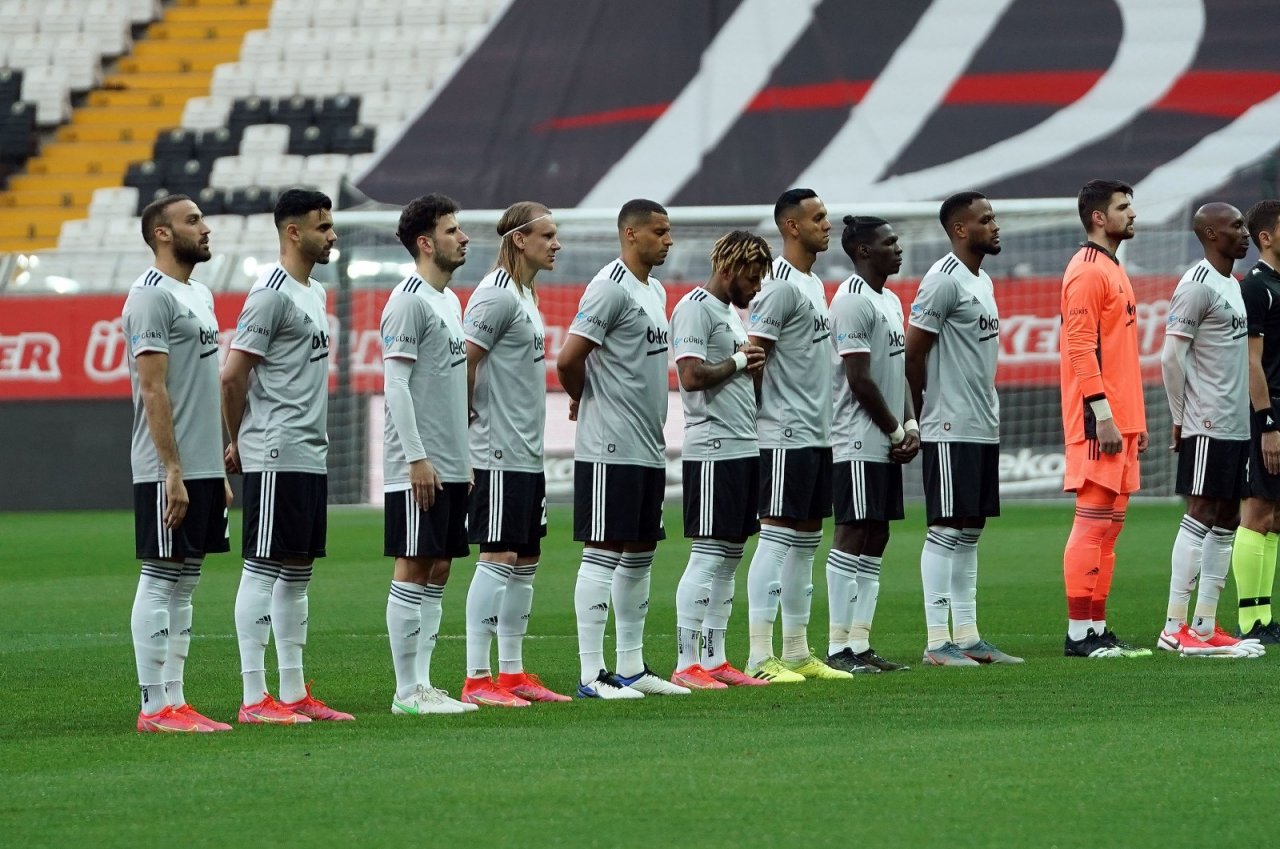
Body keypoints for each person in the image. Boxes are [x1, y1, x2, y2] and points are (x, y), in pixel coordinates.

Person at [221, 188, 354, 723]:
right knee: (262, 568)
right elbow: (232, 373)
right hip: (274, 447)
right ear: (293, 232)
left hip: (307, 449)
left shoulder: (314, 292)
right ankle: (255, 698)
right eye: (323, 226)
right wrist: (236, 439)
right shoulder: (270, 293)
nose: (333, 235)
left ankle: (295, 692)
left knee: (297, 571)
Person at [557, 198, 690, 699]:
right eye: (659, 231)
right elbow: (569, 359)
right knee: (602, 554)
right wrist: (582, 398)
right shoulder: (609, 286)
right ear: (631, 234)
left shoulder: (653, 290)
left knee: (640, 554)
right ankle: (592, 673)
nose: (669, 239)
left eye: (669, 230)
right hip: (609, 444)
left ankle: (631, 667)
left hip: (647, 445)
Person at [125, 194, 232, 732]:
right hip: (167, 466)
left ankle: (176, 699)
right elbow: (152, 386)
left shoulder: (199, 293)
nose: (205, 228)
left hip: (204, 465)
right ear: (163, 234)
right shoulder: (149, 296)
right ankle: (153, 706)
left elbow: (204, 382)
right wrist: (172, 468)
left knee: (187, 580)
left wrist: (214, 461)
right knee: (160, 575)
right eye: (193, 221)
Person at [904, 191, 1022, 666]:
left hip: (980, 423)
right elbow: (913, 352)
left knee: (970, 530)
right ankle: (937, 642)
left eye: (994, 217)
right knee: (946, 529)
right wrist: (914, 418)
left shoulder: (983, 281)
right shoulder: (942, 281)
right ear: (959, 230)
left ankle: (969, 636)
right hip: (948, 424)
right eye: (985, 219)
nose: (995, 226)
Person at [459, 201, 570, 706]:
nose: (556, 243)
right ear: (520, 239)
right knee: (498, 555)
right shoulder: (495, 295)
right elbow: (463, 366)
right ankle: (477, 677)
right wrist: (462, 437)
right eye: (547, 235)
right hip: (496, 451)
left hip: (526, 452)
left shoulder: (526, 294)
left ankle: (511, 673)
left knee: (526, 558)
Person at [377, 193, 479, 715]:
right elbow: (395, 384)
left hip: (451, 462)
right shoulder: (408, 300)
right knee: (414, 565)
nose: (463, 238)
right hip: (419, 465)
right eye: (452, 230)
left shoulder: (449, 301)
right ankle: (406, 692)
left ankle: (425, 684)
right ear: (425, 242)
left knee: (439, 566)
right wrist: (416, 458)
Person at [743, 188, 850, 683]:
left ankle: (797, 650)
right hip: (784, 434)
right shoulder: (779, 285)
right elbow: (754, 355)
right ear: (791, 226)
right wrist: (766, 417)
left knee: (806, 541)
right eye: (818, 218)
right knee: (777, 538)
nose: (827, 225)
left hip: (816, 433)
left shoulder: (811, 285)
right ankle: (759, 656)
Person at [669, 230, 773, 689]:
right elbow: (690, 377)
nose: (755, 288)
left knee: (731, 555)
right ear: (728, 270)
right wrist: (737, 361)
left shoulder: (728, 313)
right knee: (708, 554)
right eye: (751, 278)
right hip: (711, 450)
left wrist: (748, 367)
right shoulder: (694, 306)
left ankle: (716, 659)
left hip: (742, 446)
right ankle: (686, 662)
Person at [1159, 203, 1263, 658]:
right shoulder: (1196, 284)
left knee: (1227, 520)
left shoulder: (1233, 286)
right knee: (1200, 513)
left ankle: (1203, 625)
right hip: (1206, 421)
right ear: (1209, 233)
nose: (1244, 233)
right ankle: (1173, 626)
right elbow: (1170, 357)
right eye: (1235, 226)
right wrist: (1180, 416)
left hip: (1235, 423)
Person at [1058, 179, 1151, 659]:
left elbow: (1116, 350)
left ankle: (1096, 628)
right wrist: (1102, 413)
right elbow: (1079, 346)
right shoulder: (1087, 270)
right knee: (1092, 524)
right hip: (1099, 420)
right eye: (1123, 206)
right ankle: (1078, 635)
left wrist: (1135, 420)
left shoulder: (1114, 267)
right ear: (1099, 217)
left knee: (1110, 528)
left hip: (1122, 419)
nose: (1132, 213)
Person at [824, 216, 917, 675]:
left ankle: (860, 644)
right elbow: (858, 379)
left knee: (877, 533)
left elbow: (894, 370)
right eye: (889, 242)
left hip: (887, 436)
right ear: (863, 251)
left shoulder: (890, 300)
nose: (897, 249)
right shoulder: (851, 301)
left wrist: (912, 422)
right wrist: (897, 432)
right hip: (857, 438)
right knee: (854, 531)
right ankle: (838, 645)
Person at [1233, 199, 1280, 642]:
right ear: (1265, 237)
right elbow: (1252, 363)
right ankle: (1250, 619)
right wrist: (1267, 422)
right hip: (1269, 413)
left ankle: (1266, 617)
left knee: (1277, 516)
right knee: (1257, 511)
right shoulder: (1256, 287)